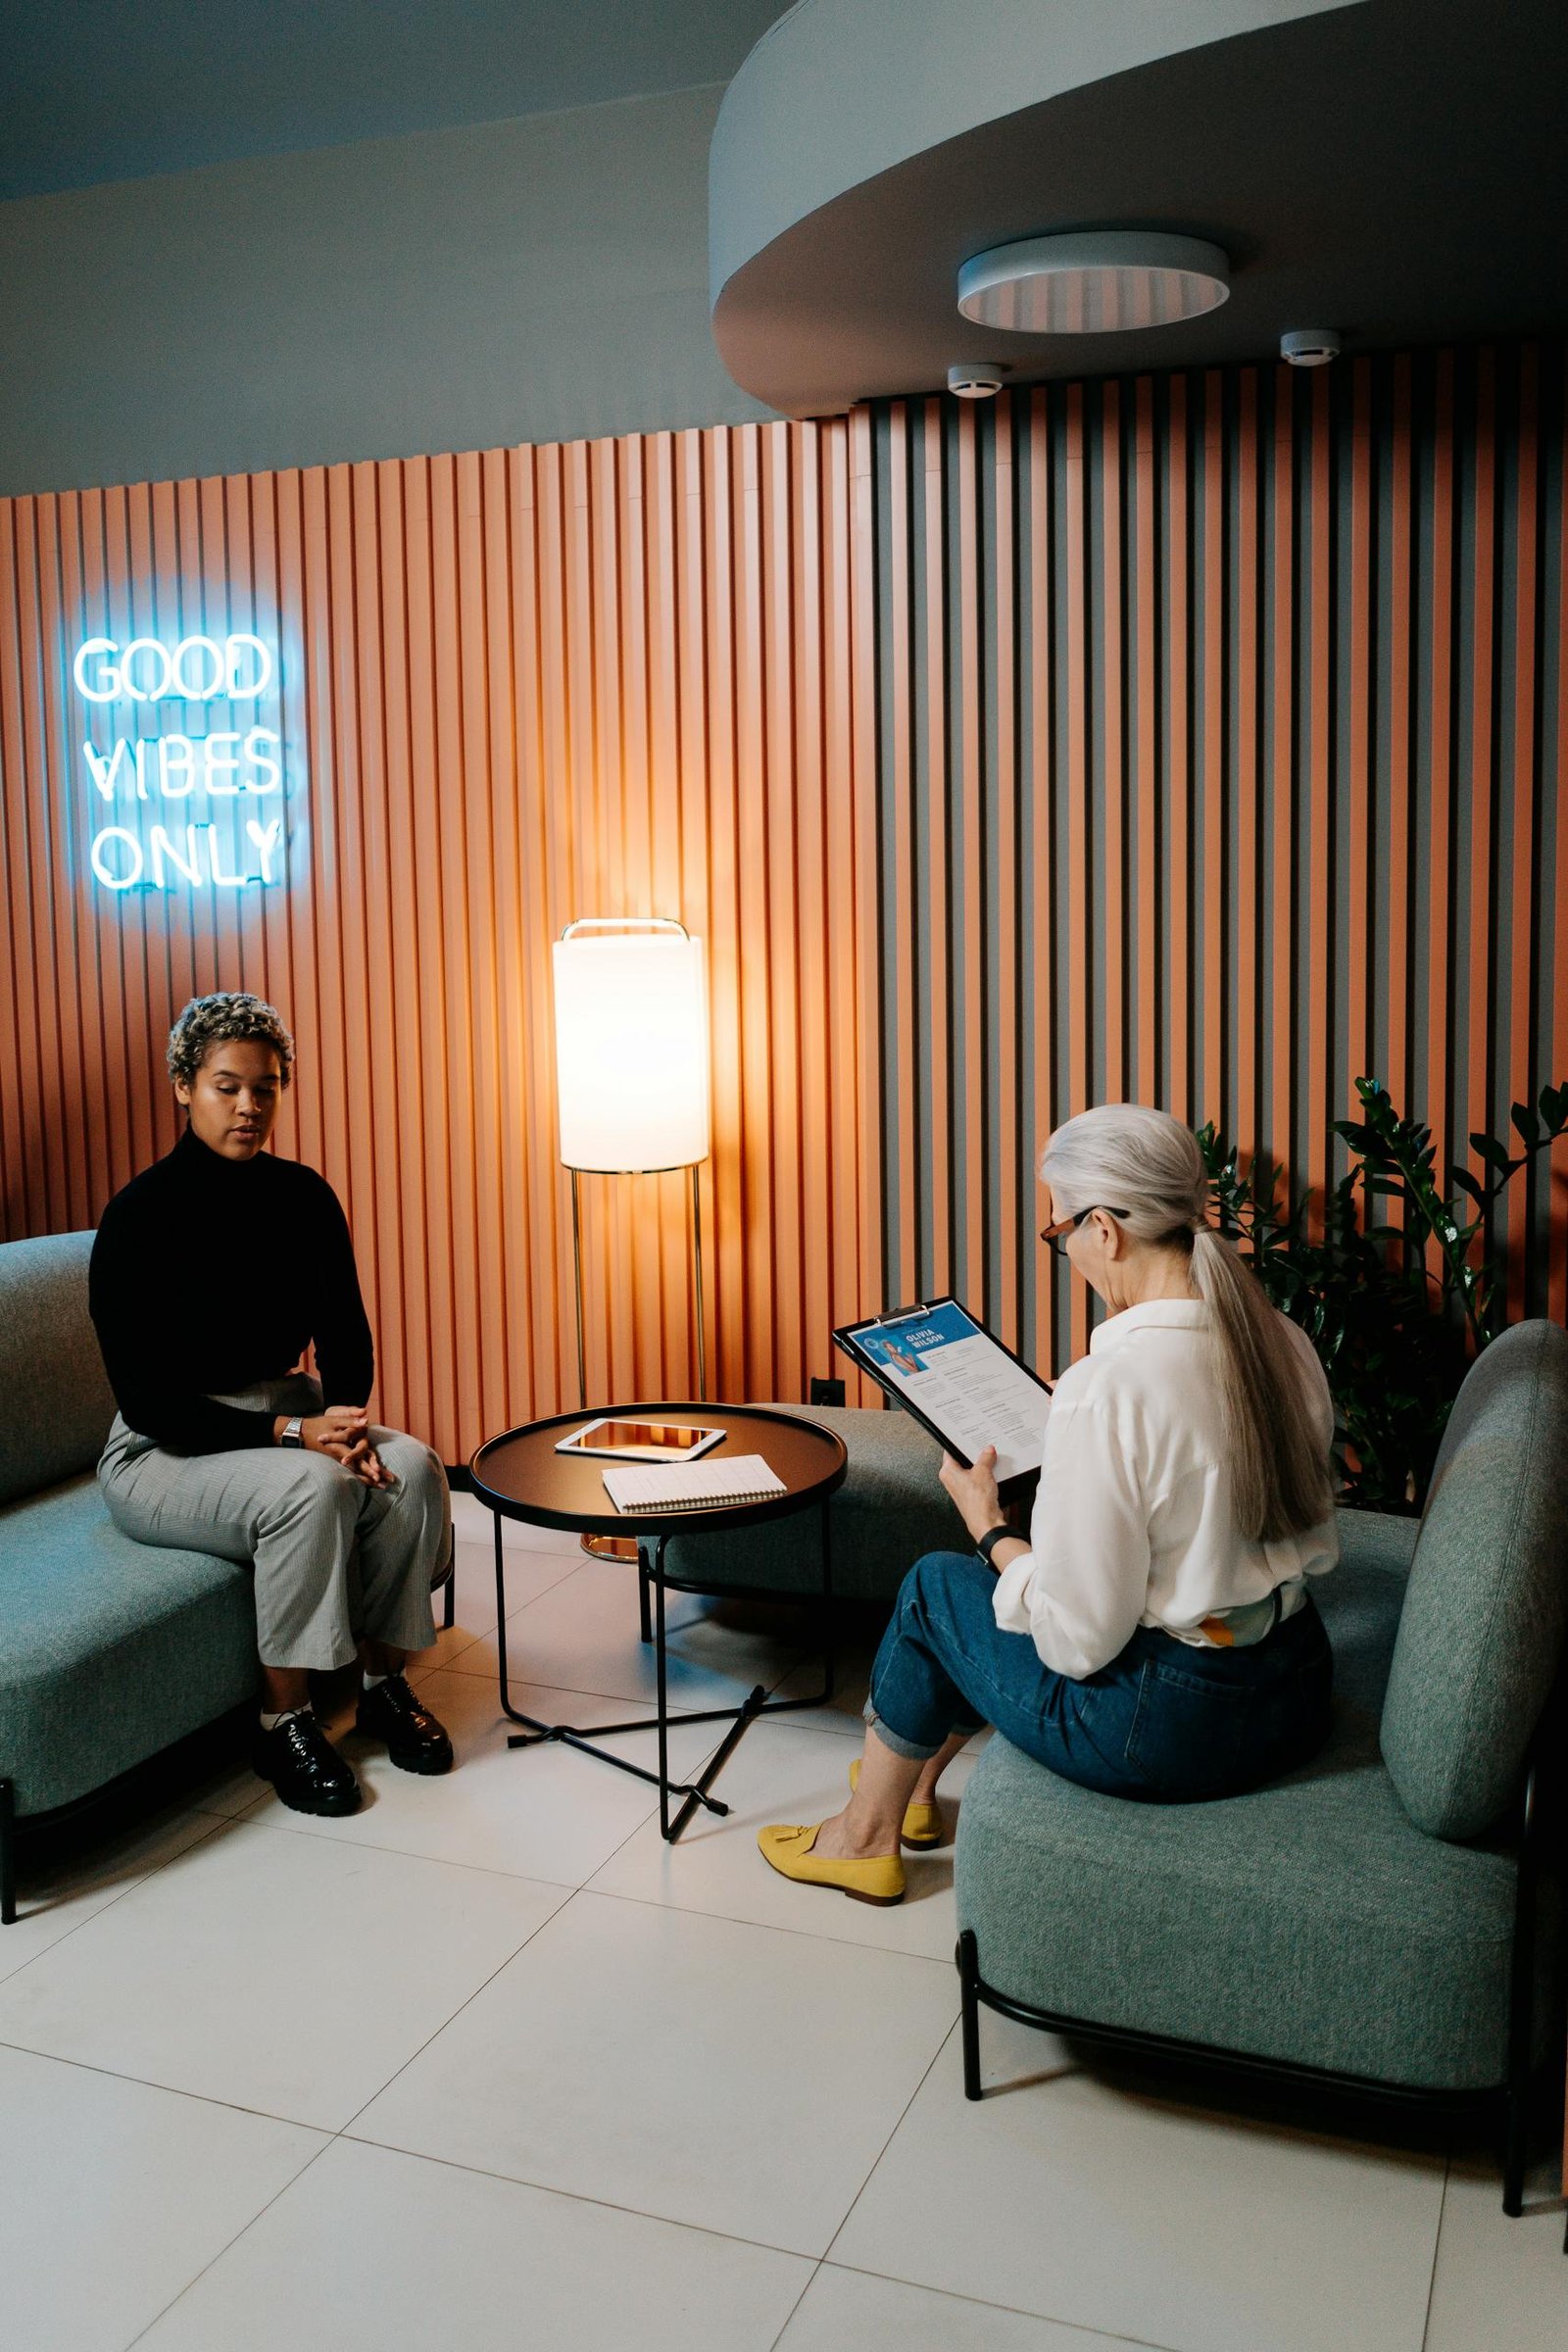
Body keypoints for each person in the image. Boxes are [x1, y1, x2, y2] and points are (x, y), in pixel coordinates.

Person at [760, 1102, 1339, 1905]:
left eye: (1060, 1230)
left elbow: (1077, 1645)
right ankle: (916, 1791)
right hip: (1294, 1687)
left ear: (1105, 1229)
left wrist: (990, 1526)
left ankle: (864, 1836)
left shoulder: (1111, 1388)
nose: (1065, 1248)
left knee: (938, 1588)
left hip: (1176, 1729)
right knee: (983, 1589)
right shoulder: (1281, 1340)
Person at [89, 992, 455, 1818]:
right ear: (183, 1086)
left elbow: (346, 1338)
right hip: (164, 1447)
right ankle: (283, 1720)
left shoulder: (304, 1196)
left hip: (285, 1412)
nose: (250, 1107)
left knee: (411, 1469)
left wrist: (353, 1427)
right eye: (227, 1086)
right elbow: (150, 1402)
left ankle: (382, 1686)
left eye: (267, 1087)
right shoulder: (138, 1217)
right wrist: (296, 1434)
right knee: (313, 1488)